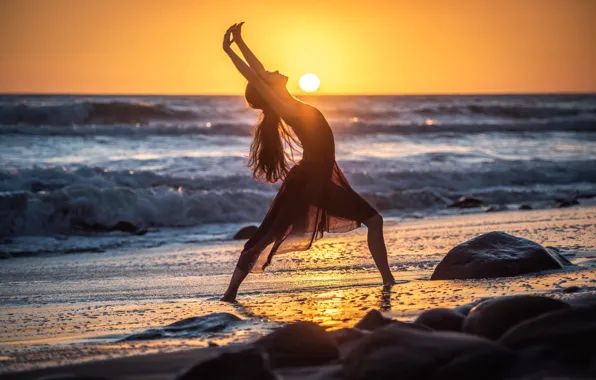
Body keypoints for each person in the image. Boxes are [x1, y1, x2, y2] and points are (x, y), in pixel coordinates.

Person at [221, 23, 395, 302]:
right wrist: (230, 53)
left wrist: (240, 41)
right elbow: (255, 75)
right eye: (270, 76)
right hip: (311, 181)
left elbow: (259, 71)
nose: (275, 71)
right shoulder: (288, 108)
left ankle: (388, 279)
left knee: (269, 234)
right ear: (267, 88)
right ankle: (229, 293)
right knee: (372, 220)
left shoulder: (291, 103)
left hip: (317, 177)